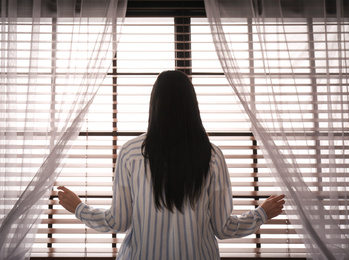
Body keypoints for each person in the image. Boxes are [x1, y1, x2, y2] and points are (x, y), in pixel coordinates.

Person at [58, 70, 285, 260]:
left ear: (154, 105)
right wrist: (261, 214)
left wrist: (79, 208)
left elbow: (118, 221)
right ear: (192, 106)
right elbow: (223, 228)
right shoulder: (212, 156)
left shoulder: (130, 153)